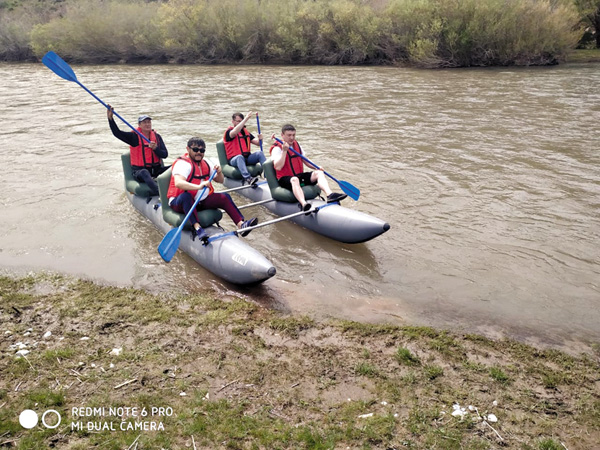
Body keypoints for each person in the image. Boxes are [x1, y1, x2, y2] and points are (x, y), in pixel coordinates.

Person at [167, 137, 258, 244]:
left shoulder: (206, 163)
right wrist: (199, 186)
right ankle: (197, 228)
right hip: (180, 202)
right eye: (195, 150)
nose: (199, 153)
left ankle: (241, 224)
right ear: (188, 149)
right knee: (186, 197)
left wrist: (219, 172)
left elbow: (221, 180)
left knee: (224, 197)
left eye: (202, 150)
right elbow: (178, 183)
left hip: (199, 200)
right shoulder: (183, 164)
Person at [270, 124, 347, 213]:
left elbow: (305, 161)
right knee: (294, 179)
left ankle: (330, 195)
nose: (292, 138)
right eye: (289, 135)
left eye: (293, 135)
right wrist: (284, 151)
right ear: (282, 135)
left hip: (298, 176)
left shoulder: (296, 145)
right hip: (285, 179)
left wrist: (317, 167)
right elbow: (278, 167)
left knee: (318, 173)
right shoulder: (277, 148)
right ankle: (304, 204)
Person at [107, 105, 168, 196]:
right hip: (140, 172)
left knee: (176, 165)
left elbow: (165, 155)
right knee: (144, 172)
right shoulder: (134, 137)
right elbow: (117, 133)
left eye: (149, 122)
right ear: (139, 125)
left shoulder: (157, 137)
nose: (147, 124)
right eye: (144, 122)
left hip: (156, 171)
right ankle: (160, 193)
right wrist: (111, 119)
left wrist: (156, 149)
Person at [223, 111, 266, 185]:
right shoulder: (229, 132)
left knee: (260, 153)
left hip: (247, 158)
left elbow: (258, 143)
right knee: (239, 157)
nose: (241, 123)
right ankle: (248, 178)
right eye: (238, 121)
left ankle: (268, 175)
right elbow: (234, 133)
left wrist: (261, 139)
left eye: (241, 121)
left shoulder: (246, 132)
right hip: (234, 160)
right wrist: (246, 119)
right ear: (233, 122)